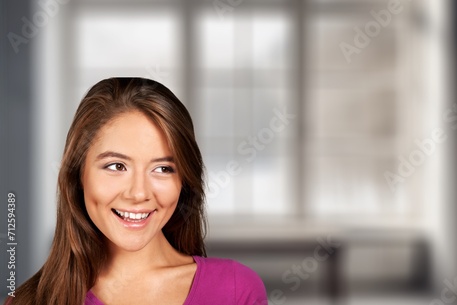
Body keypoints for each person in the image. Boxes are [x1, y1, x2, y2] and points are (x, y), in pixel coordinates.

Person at [5, 78, 268, 305]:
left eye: (163, 168)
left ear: (184, 181)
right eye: (116, 166)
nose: (139, 193)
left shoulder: (235, 290)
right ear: (79, 175)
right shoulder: (30, 301)